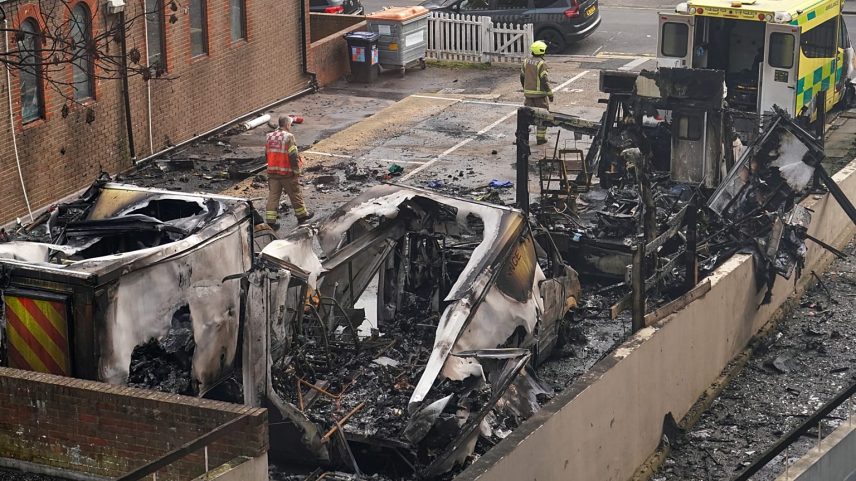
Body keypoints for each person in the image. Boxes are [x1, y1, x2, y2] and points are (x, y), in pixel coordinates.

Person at [265, 115, 313, 228]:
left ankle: (271, 222)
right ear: (287, 125)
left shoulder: (269, 136)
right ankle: (302, 216)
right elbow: (293, 155)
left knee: (273, 196)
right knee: (295, 193)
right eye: (290, 124)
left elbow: (267, 153)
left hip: (272, 172)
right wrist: (296, 170)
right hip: (286, 172)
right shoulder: (289, 137)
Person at [521, 40, 554, 145]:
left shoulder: (526, 62)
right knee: (542, 116)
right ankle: (540, 138)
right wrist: (550, 93)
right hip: (540, 96)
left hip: (528, 95)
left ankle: (522, 137)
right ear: (542, 51)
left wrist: (525, 88)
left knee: (527, 116)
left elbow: (522, 77)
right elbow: (544, 80)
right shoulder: (541, 64)